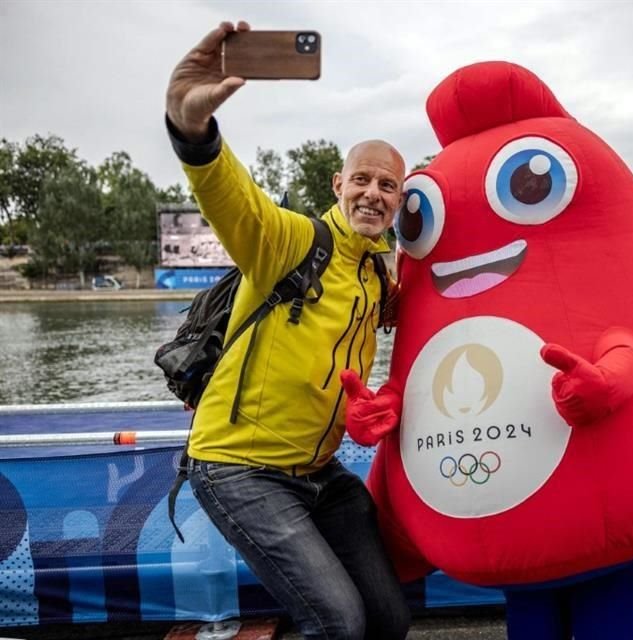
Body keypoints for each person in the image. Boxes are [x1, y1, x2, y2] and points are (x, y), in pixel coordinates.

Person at [164, 20, 410, 640]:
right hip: (239, 468)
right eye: (362, 179)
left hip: (321, 473)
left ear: (401, 199)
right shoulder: (292, 243)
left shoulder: (379, 279)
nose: (373, 193)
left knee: (389, 619)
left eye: (388, 185)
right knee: (340, 624)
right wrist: (192, 130)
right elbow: (234, 199)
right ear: (338, 184)